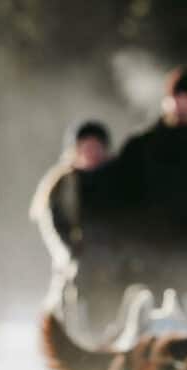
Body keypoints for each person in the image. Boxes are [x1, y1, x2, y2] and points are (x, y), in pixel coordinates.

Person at [85, 68, 187, 352]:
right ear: (167, 100)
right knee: (150, 345)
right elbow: (119, 202)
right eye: (178, 97)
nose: (184, 105)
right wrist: (139, 247)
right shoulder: (142, 146)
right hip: (152, 265)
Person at [29, 120, 111, 312]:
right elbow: (53, 227)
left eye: (96, 147)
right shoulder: (61, 185)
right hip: (74, 266)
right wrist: (73, 254)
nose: (91, 152)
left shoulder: (116, 181)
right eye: (86, 146)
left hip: (111, 267)